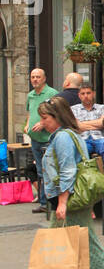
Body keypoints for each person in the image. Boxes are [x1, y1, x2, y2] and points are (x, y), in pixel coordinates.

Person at [24, 97, 104, 269]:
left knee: (83, 244)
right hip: (72, 200)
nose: (43, 123)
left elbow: (68, 170)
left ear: (58, 117)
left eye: (45, 118)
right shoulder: (72, 134)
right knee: (75, 241)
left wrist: (63, 202)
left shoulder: (63, 137)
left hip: (68, 200)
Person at [25, 67, 60, 212]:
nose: (35, 79)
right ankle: (44, 202)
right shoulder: (30, 95)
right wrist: (27, 125)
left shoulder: (52, 94)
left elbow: (57, 114)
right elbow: (29, 113)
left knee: (50, 170)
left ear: (44, 78)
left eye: (38, 77)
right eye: (33, 77)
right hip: (35, 139)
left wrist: (43, 123)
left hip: (48, 138)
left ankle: (52, 202)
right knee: (40, 170)